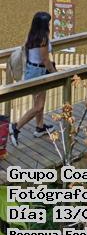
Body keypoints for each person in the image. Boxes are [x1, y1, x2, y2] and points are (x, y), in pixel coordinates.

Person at [9, 12, 56, 147]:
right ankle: (16, 127)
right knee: (38, 106)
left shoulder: (32, 34)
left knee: (39, 102)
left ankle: (40, 127)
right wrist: (55, 74)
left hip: (32, 70)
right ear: (43, 25)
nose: (49, 24)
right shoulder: (43, 38)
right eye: (48, 22)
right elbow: (45, 60)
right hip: (38, 72)